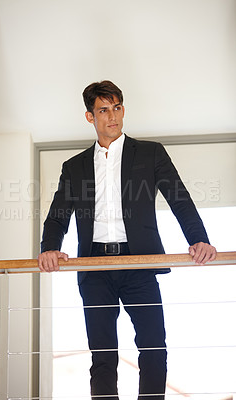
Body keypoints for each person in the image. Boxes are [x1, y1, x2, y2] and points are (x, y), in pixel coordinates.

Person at [38, 80, 216, 400]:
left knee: (153, 347)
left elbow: (180, 199)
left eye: (117, 107)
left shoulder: (150, 153)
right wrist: (49, 248)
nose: (113, 116)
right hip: (94, 268)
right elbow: (57, 216)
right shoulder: (74, 167)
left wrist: (199, 239)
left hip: (140, 263)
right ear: (90, 117)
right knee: (102, 356)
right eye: (103, 110)